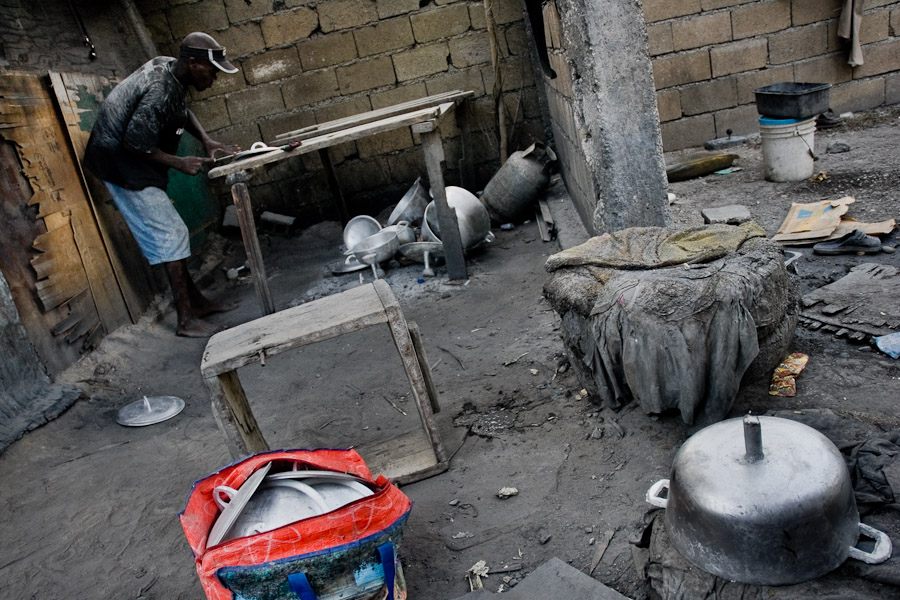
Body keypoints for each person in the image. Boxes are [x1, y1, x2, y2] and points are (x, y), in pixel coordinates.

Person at [85, 32, 240, 337]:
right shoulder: (159, 88)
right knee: (171, 234)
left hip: (132, 158)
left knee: (173, 233)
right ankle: (186, 321)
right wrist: (179, 162)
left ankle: (196, 304)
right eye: (212, 71)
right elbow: (134, 142)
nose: (215, 77)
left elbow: (180, 108)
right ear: (193, 63)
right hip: (121, 164)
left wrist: (206, 140)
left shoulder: (173, 70)